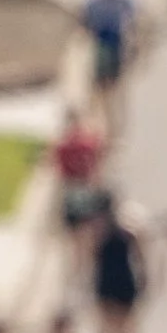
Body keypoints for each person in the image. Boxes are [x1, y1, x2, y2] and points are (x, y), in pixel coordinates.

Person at [91, 194, 147, 333]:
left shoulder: (124, 232)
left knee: (124, 331)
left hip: (121, 284)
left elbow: (139, 256)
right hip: (110, 285)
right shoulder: (100, 233)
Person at [51, 105, 109, 294]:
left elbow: (59, 175)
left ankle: (76, 271)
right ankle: (85, 270)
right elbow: (98, 163)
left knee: (74, 237)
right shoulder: (88, 142)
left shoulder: (62, 146)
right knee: (88, 234)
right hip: (86, 190)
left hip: (71, 192)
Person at [78, 0, 138, 126]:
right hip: (101, 43)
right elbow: (85, 23)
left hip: (116, 44)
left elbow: (133, 25)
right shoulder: (95, 2)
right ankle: (105, 121)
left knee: (114, 86)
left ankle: (114, 122)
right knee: (101, 85)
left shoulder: (123, 1)